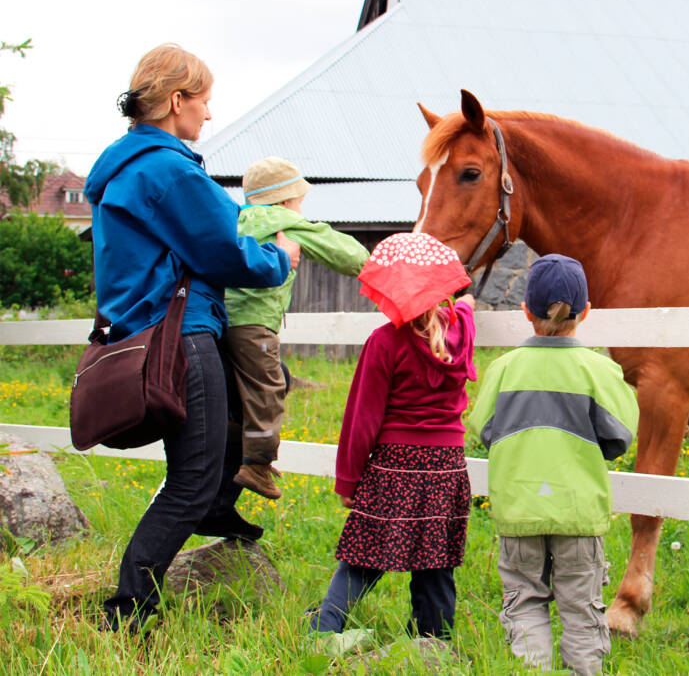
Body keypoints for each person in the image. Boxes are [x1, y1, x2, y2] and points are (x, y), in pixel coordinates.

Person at [84, 43, 302, 633]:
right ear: (177, 100)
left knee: (240, 414)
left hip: (149, 334)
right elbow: (225, 249)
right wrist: (279, 257)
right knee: (191, 478)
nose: (208, 115)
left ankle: (216, 510)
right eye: (204, 102)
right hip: (184, 335)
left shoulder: (123, 166)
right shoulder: (167, 168)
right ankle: (128, 610)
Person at [468, 254, 639, 676]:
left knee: (524, 602)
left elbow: (483, 429)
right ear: (585, 312)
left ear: (525, 310)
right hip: (578, 512)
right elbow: (619, 436)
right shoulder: (599, 370)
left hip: (518, 510)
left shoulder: (504, 369)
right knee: (582, 609)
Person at [310, 232, 476, 641]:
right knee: (435, 560)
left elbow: (361, 419)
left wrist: (348, 482)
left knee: (365, 554)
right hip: (445, 465)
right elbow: (467, 312)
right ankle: (433, 640)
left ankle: (325, 626)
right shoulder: (461, 334)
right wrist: (465, 306)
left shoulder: (384, 342)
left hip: (395, 464)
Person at [225, 156, 369, 500]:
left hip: (221, 320)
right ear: (285, 199)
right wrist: (372, 263)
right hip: (253, 322)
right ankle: (257, 463)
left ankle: (236, 458)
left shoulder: (236, 220)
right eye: (299, 200)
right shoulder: (285, 222)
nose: (301, 207)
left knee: (238, 393)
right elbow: (344, 253)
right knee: (269, 386)